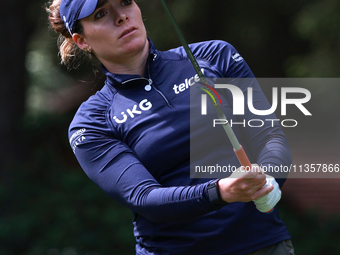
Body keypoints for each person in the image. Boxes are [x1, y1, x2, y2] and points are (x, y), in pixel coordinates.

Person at [46, 0, 295, 254]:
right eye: (101, 14)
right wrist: (221, 191)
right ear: (81, 40)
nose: (121, 16)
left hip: (263, 245)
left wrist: (269, 177)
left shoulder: (214, 56)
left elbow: (270, 136)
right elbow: (145, 198)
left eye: (125, 2)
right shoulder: (92, 122)